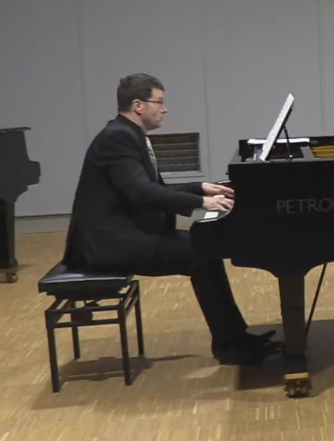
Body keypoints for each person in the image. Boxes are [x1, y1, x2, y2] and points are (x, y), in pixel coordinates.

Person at [63, 73, 279, 365]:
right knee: (201, 253)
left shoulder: (128, 134)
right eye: (159, 102)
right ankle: (231, 345)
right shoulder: (118, 139)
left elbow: (152, 189)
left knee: (206, 248)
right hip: (109, 244)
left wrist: (199, 188)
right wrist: (202, 202)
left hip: (124, 234)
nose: (164, 109)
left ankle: (236, 339)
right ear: (138, 105)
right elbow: (141, 192)